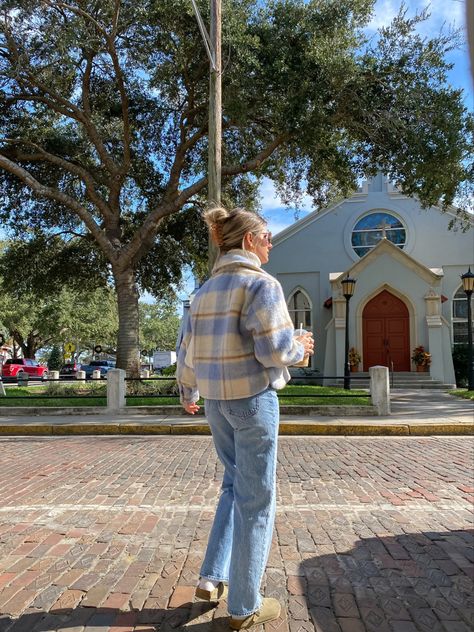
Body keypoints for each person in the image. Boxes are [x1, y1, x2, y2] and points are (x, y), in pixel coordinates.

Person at [176, 206, 314, 630]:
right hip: (253, 399)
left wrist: (188, 391)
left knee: (233, 486)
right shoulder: (261, 284)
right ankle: (244, 606)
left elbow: (186, 350)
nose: (271, 243)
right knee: (256, 500)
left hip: (216, 402)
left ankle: (211, 578)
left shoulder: (204, 290)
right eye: (267, 236)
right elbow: (273, 351)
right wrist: (300, 346)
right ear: (250, 240)